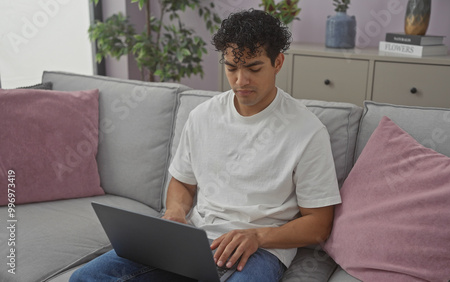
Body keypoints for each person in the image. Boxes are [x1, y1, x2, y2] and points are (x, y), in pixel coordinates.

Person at [70, 9, 341, 282]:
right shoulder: (203, 116)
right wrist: (175, 213)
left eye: (254, 68)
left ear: (278, 62)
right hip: (196, 240)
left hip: (261, 250)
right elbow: (183, 183)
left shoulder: (307, 131)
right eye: (232, 68)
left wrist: (257, 235)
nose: (240, 80)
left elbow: (319, 225)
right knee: (84, 278)